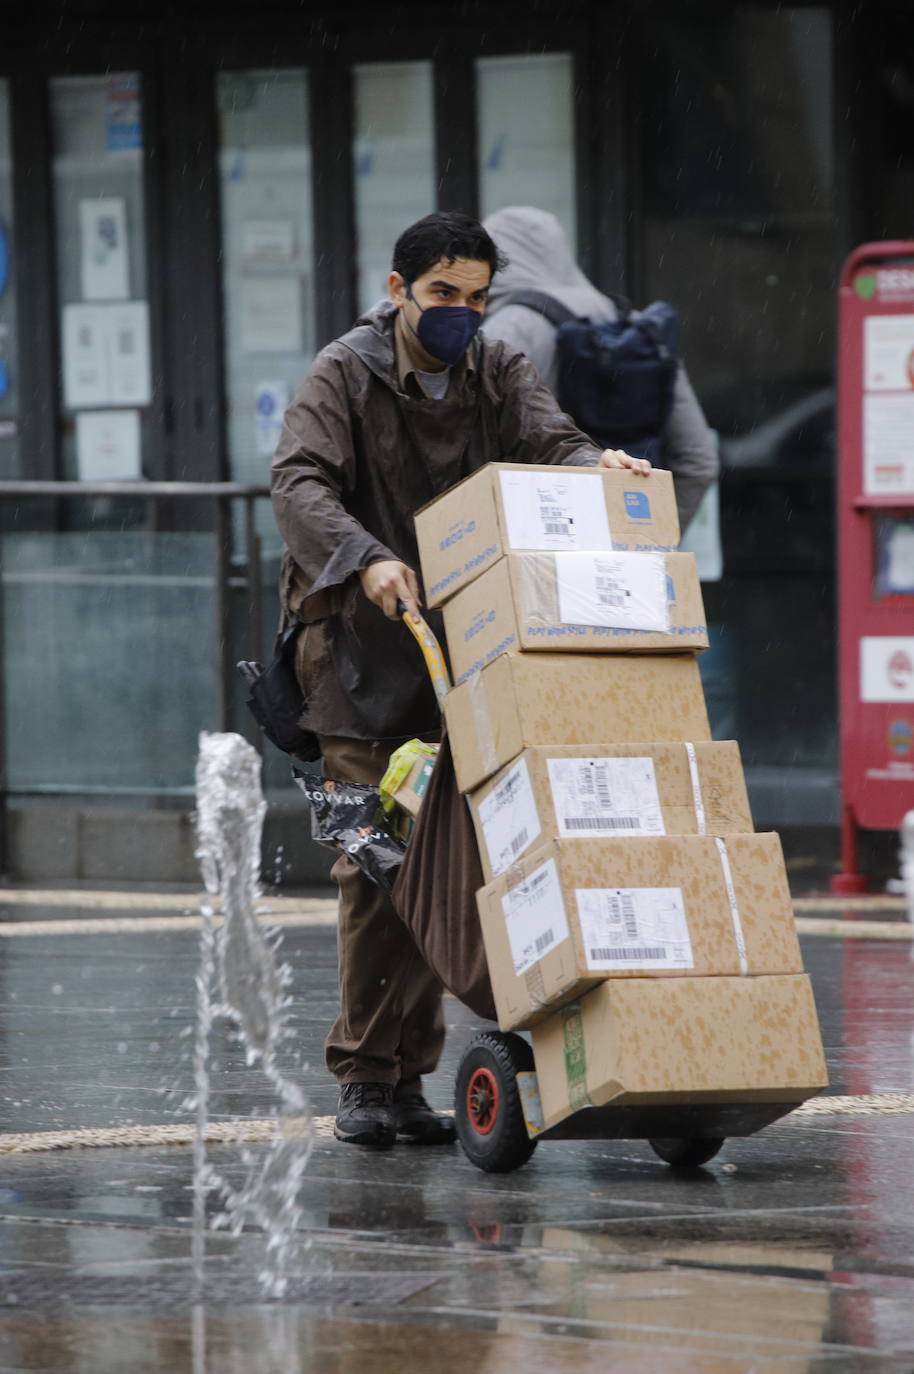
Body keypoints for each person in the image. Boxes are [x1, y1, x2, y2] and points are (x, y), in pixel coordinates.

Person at [271, 210, 649, 1150]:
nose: (460, 314)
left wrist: (596, 463)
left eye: (477, 299)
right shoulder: (343, 374)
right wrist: (366, 558)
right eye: (443, 295)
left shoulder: (495, 368)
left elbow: (547, 438)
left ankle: (409, 1079)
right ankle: (365, 1075)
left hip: (459, 656)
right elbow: (298, 482)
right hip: (358, 659)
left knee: (442, 868)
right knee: (376, 864)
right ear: (398, 290)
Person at [481, 206, 718, 534]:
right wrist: (653, 540)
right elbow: (699, 459)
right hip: (631, 551)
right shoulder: (635, 327)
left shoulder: (507, 330)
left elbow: (480, 458)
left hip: (542, 548)